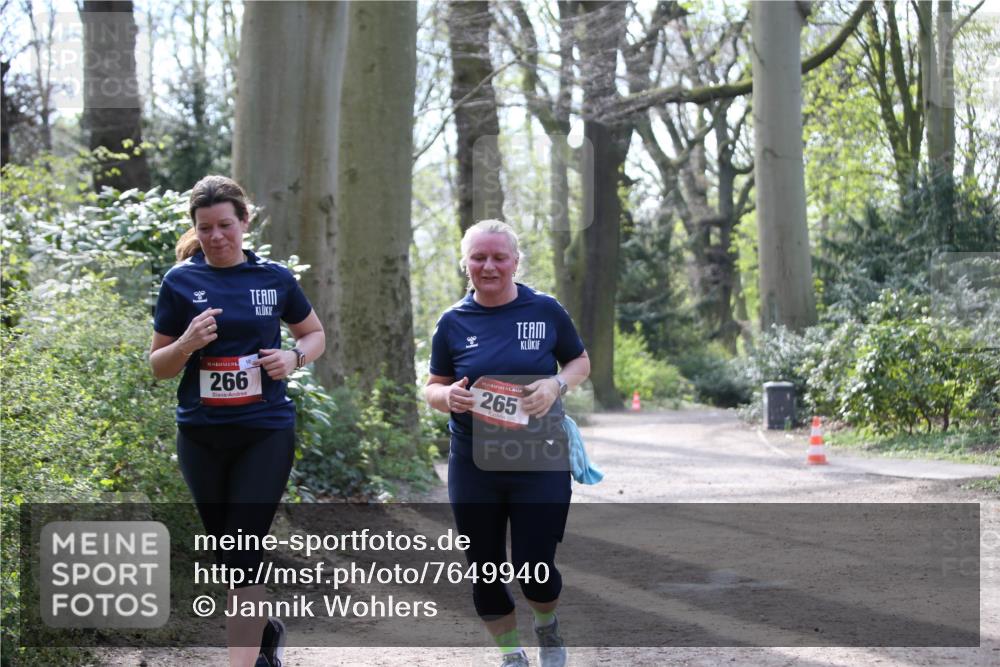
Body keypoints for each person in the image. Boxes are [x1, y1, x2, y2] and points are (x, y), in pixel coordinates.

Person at [150, 175, 325, 667]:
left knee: (243, 550)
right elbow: (159, 366)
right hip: (202, 435)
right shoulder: (180, 282)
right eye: (205, 228)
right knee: (228, 557)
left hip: (265, 430)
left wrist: (293, 360)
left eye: (225, 225)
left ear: (245, 222)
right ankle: (265, 633)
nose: (216, 236)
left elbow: (313, 334)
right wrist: (186, 344)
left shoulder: (275, 279)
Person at [424, 220, 590, 667]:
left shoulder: (546, 310)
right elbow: (433, 385)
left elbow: (578, 360)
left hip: (539, 456)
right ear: (466, 264)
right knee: (485, 570)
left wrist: (556, 385)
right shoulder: (453, 322)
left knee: (536, 570)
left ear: (516, 262)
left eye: (499, 257)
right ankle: (511, 654)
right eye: (479, 257)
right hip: (474, 462)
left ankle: (546, 627)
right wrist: (448, 397)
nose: (489, 266)